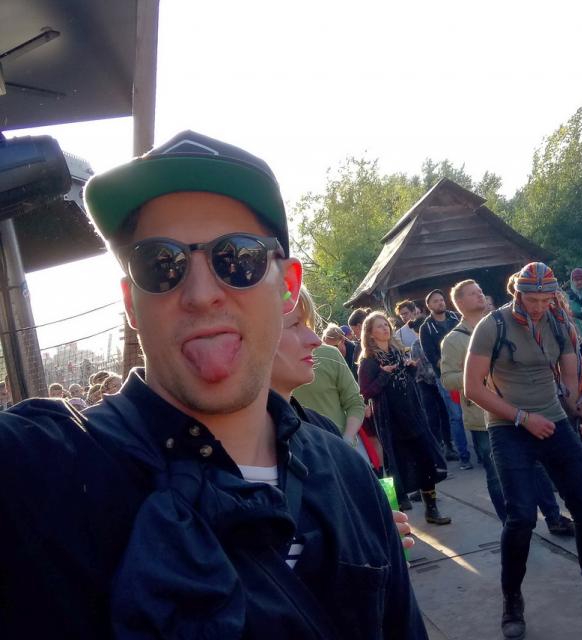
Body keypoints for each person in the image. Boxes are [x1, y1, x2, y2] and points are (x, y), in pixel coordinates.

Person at [0, 131, 427, 639]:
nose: (201, 294)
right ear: (131, 303)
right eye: (160, 264)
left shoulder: (347, 476)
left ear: (288, 287)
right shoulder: (43, 470)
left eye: (238, 258)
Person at [465, 262, 582, 640]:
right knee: (521, 517)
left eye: (545, 299)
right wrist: (523, 418)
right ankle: (512, 601)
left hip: (553, 422)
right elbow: (473, 388)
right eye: (531, 299)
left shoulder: (559, 324)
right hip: (508, 427)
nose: (538, 307)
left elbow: (571, 386)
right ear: (517, 293)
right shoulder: (493, 326)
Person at [270, 286, 414, 551]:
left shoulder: (321, 433)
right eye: (294, 324)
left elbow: (355, 402)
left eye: (309, 324)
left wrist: (372, 539)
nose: (315, 339)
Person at [440, 279, 574, 535]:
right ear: (459, 302)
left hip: (521, 408)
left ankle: (554, 517)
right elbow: (447, 378)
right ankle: (512, 526)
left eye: (480, 290)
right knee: (497, 475)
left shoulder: (503, 324)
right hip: (484, 416)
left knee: (536, 466)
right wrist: (480, 373)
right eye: (473, 293)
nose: (480, 295)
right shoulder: (453, 340)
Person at [358, 311, 450, 523]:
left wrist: (410, 369)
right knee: (397, 467)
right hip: (391, 421)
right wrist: (384, 374)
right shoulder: (368, 362)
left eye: (386, 325)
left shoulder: (398, 353)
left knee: (426, 460)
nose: (385, 328)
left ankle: (431, 509)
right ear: (370, 334)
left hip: (413, 414)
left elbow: (406, 383)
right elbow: (366, 392)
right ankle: (398, 520)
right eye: (379, 326)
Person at [420, 288, 471, 468]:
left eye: (441, 299)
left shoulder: (456, 318)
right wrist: (449, 365)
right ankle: (464, 456)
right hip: (446, 377)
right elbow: (431, 356)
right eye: (435, 301)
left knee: (477, 411)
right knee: (456, 416)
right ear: (428, 305)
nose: (440, 303)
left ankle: (484, 453)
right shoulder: (426, 328)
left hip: (469, 372)